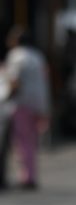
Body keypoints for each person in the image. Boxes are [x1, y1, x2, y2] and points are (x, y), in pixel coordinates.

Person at [4, 27, 50, 190]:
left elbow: (14, 81)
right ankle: (30, 174)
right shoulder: (37, 56)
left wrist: (6, 97)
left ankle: (27, 177)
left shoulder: (16, 56)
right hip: (38, 104)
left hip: (21, 104)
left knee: (21, 142)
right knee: (31, 142)